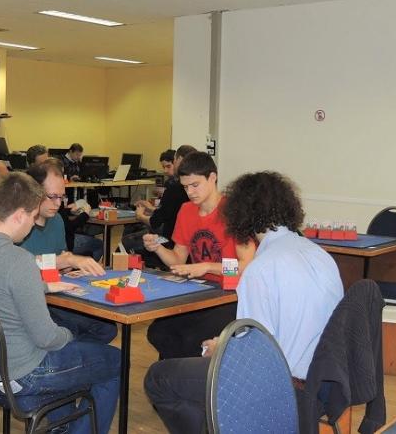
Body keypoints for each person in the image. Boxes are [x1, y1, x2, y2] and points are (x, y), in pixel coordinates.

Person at [144, 171, 343, 434]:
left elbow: (254, 355)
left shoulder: (261, 269)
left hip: (283, 381)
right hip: (325, 376)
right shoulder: (319, 254)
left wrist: (220, 347)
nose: (190, 191)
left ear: (240, 213)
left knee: (158, 377)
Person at [0, 172, 120, 434]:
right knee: (114, 359)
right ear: (18, 216)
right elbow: (48, 339)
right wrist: (71, 335)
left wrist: (42, 286)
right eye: (32, 216)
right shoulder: (18, 260)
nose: (32, 225)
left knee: (80, 350)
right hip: (22, 374)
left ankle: (62, 426)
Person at [143, 151, 256, 359]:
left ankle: (190, 373)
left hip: (232, 295)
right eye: (185, 187)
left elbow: (246, 265)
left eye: (195, 185)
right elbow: (177, 259)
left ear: (212, 177)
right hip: (201, 292)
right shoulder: (186, 211)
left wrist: (208, 267)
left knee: (190, 339)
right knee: (159, 332)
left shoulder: (234, 211)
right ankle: (175, 374)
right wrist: (157, 248)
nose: (190, 192)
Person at [20, 159, 116, 343]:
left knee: (107, 328)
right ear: (33, 192)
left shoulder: (56, 220)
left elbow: (61, 258)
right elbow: (21, 264)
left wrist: (67, 265)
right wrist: (67, 260)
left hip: (55, 294)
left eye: (61, 197)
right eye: (52, 196)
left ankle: (71, 350)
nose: (58, 203)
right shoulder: (19, 223)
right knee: (73, 330)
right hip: (32, 300)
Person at [122, 145, 195, 268]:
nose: (190, 191)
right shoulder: (182, 191)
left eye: (172, 163)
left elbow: (156, 222)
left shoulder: (174, 187)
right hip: (178, 242)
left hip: (168, 240)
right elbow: (169, 212)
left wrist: (140, 216)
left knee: (127, 240)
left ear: (179, 160)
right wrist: (152, 208)